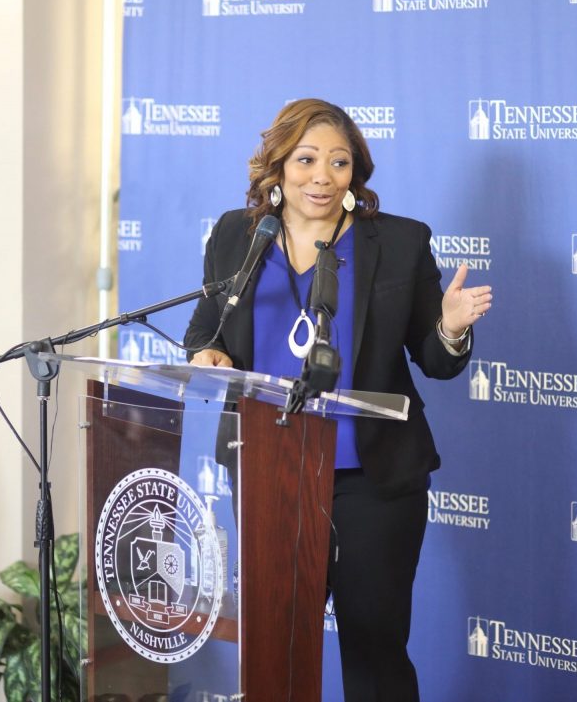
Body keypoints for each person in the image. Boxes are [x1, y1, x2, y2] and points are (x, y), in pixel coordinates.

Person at [184, 99, 492, 701]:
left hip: (370, 478)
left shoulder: (398, 242)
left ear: (356, 171)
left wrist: (451, 327)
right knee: (275, 649)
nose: (322, 176)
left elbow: (436, 360)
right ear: (278, 165)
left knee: (375, 653)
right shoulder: (237, 235)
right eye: (306, 160)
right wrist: (208, 354)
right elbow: (206, 328)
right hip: (269, 468)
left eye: (339, 162)